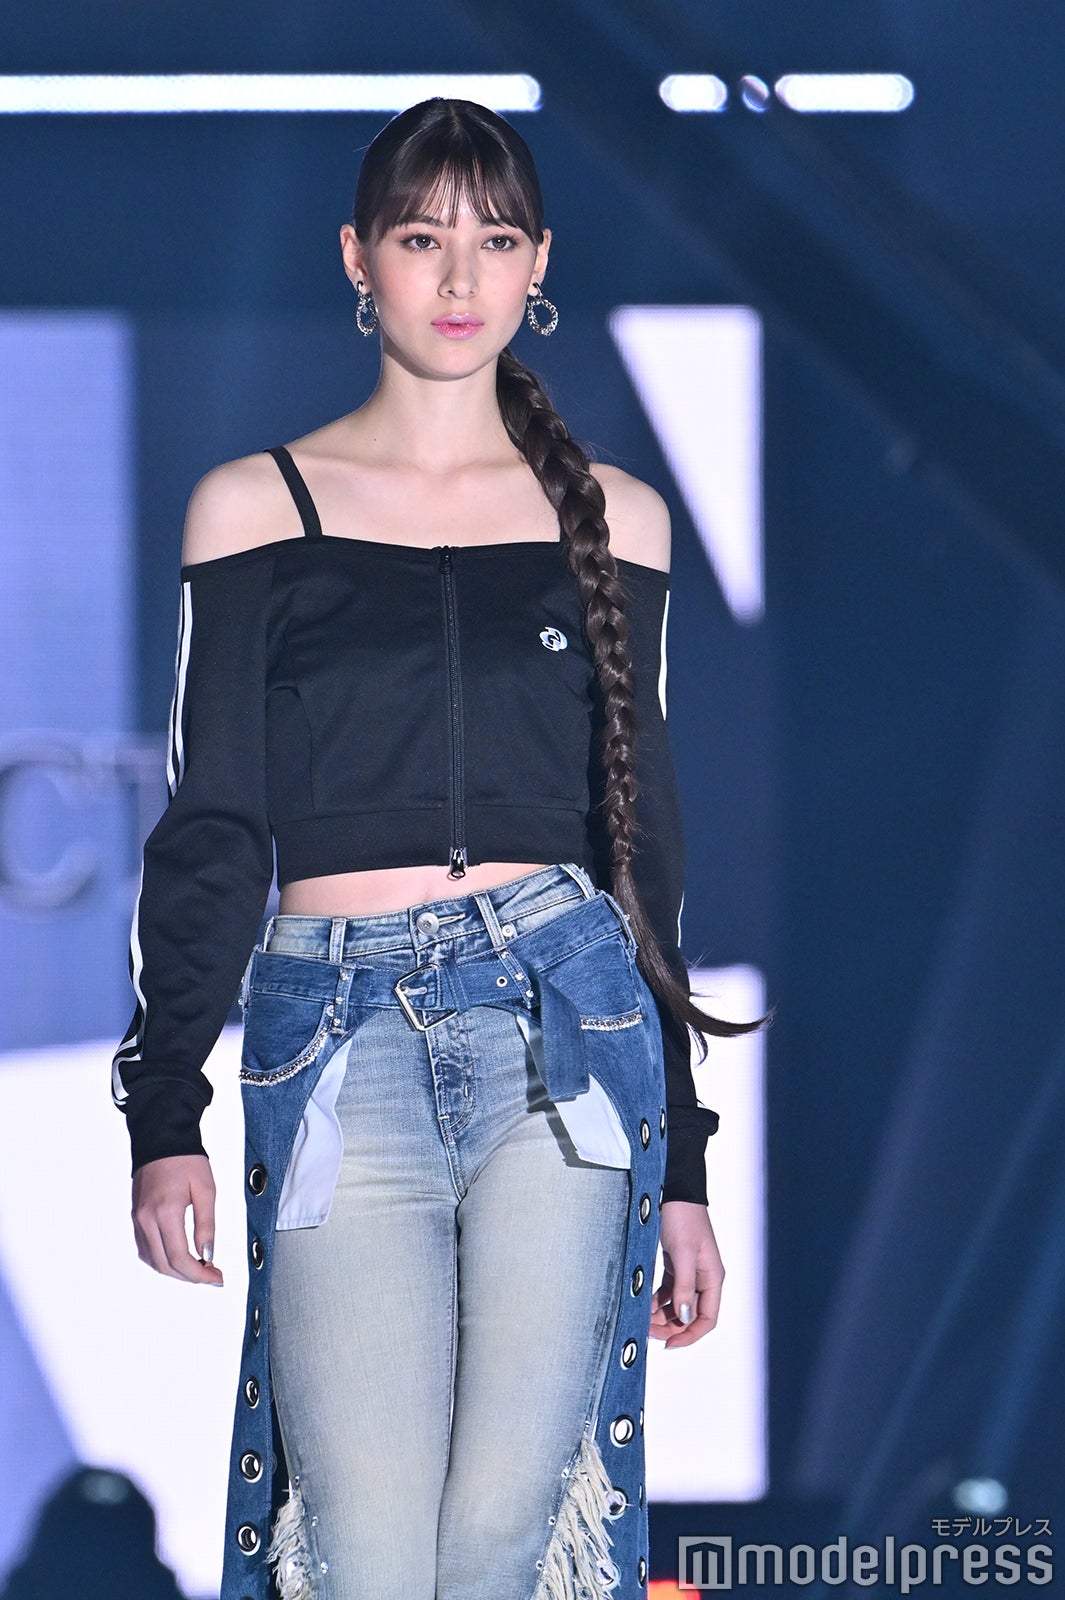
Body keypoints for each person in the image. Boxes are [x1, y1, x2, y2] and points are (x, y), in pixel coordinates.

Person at [113, 97, 756, 1600]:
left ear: (540, 262)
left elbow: (643, 852)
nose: (460, 277)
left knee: (507, 1542)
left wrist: (685, 1161)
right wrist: (163, 1111)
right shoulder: (254, 507)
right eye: (421, 239)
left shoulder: (617, 518)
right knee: (366, 1550)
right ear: (359, 259)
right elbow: (212, 829)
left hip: (562, 1026)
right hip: (337, 1034)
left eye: (495, 239)